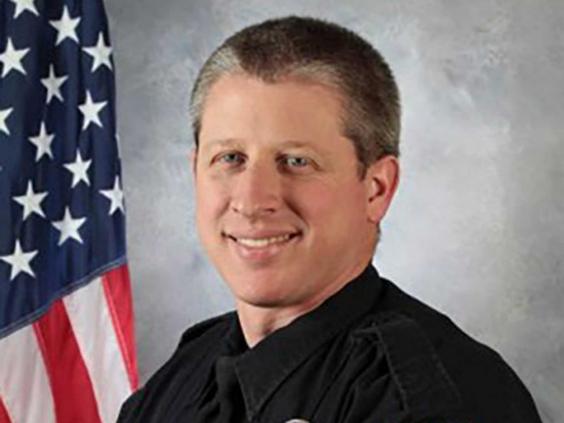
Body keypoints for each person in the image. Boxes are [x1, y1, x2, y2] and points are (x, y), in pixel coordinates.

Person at [118, 16, 542, 423]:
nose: (251, 200)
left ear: (376, 188)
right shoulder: (179, 379)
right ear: (195, 171)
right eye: (230, 158)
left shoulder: (435, 399)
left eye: (296, 161)